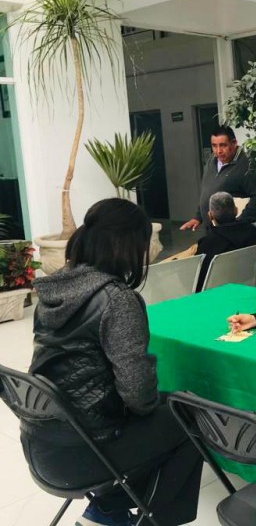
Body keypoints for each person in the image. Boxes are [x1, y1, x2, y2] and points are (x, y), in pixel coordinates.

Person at [23, 199, 202, 526]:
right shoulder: (117, 299)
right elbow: (138, 394)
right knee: (190, 415)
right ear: (128, 245)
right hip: (86, 450)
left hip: (42, 444)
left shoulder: (54, 289)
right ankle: (136, 518)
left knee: (168, 407)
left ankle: (106, 512)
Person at [180, 125, 256, 231]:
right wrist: (198, 217)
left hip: (234, 232)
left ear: (234, 143)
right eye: (214, 146)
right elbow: (207, 191)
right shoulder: (212, 160)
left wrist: (241, 221)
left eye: (223, 145)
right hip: (211, 230)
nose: (218, 151)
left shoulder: (247, 165)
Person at [195, 191, 256, 289]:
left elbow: (200, 279)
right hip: (249, 287)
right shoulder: (253, 233)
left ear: (210, 215)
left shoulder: (207, 243)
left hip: (220, 293)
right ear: (236, 211)